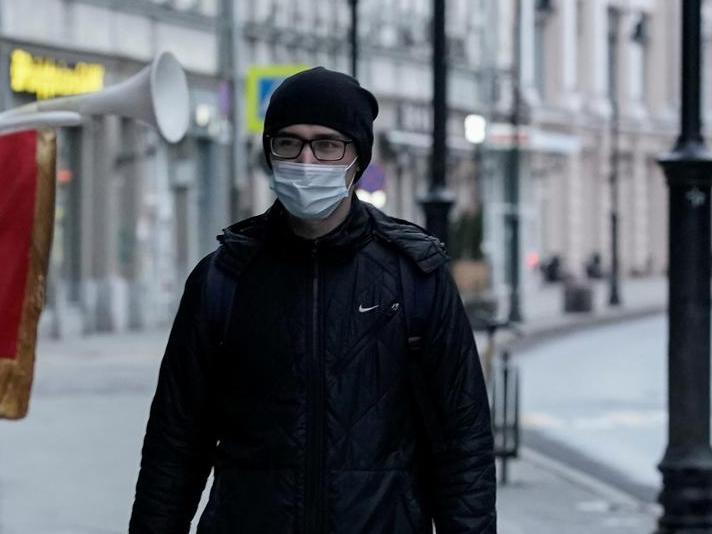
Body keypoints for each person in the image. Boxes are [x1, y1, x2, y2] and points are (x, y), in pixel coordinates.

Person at [130, 68, 496, 533]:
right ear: (269, 152)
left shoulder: (415, 278)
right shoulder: (224, 279)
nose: (305, 160)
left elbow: (463, 442)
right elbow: (174, 443)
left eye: (327, 144)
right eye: (288, 143)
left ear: (357, 158)